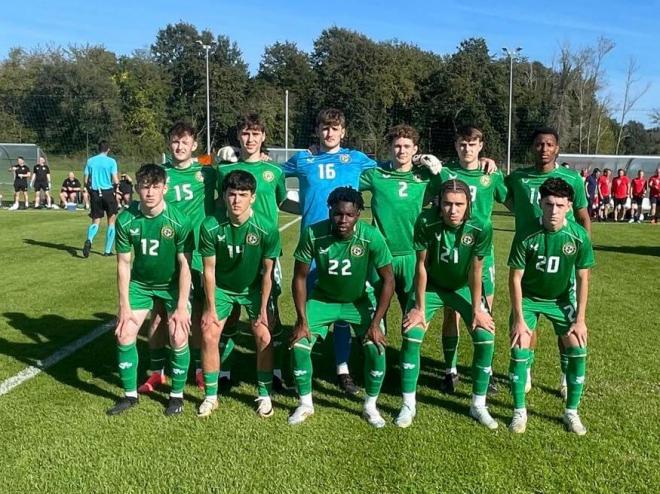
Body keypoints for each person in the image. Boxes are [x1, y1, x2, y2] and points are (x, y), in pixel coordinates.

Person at [283, 108, 441, 395]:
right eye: (324, 128)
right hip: (315, 242)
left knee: (345, 304)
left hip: (347, 244)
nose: (329, 133)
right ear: (317, 131)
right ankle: (296, 362)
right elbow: (270, 174)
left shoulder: (357, 160)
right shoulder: (303, 158)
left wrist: (416, 159)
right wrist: (292, 204)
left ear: (343, 131)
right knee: (305, 304)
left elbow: (390, 166)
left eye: (335, 128)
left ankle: (343, 369)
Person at [289, 186, 394, 427]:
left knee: (376, 347)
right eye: (337, 214)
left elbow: (388, 279)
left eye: (349, 215)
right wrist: (302, 320)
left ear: (359, 214)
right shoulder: (313, 234)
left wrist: (377, 324)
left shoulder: (370, 236)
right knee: (299, 345)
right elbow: (300, 277)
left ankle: (370, 405)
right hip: (323, 299)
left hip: (357, 300)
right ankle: (305, 404)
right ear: (330, 211)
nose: (343, 220)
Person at [399, 179, 497, 429]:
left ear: (468, 205)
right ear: (439, 204)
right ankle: (408, 405)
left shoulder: (481, 226)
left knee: (485, 335)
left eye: (459, 204)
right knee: (412, 333)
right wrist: (419, 307)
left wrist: (477, 309)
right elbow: (420, 265)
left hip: (463, 287)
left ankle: (478, 405)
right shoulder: (425, 221)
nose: (453, 210)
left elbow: (477, 271)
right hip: (431, 285)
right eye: (447, 204)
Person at [504, 127, 590, 397]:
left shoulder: (571, 179)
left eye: (549, 144)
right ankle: (525, 368)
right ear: (533, 148)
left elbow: (584, 216)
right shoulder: (518, 177)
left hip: (561, 257)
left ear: (557, 148)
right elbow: (499, 192)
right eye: (539, 144)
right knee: (530, 320)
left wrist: (580, 248)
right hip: (529, 253)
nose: (544, 149)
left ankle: (566, 373)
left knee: (565, 323)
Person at [507, 177, 594, 435]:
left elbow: (582, 278)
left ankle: (571, 412)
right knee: (520, 345)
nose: (553, 211)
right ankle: (519, 412)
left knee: (577, 346)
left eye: (559, 205)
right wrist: (519, 319)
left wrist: (580, 319)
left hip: (561, 299)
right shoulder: (526, 233)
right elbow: (515, 278)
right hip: (529, 298)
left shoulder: (578, 236)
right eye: (548, 204)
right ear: (540, 203)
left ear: (568, 206)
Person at [107, 163, 194, 416]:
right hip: (140, 285)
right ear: (136, 188)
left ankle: (176, 396)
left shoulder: (179, 220)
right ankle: (129, 396)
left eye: (156, 187)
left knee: (178, 334)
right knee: (124, 333)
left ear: (165, 188)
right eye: (145, 187)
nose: (150, 192)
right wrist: (123, 306)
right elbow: (123, 264)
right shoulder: (126, 219)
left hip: (171, 286)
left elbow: (185, 265)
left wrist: (180, 306)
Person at [137, 122, 217, 395]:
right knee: (158, 314)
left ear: (194, 145)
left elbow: (237, 176)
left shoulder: (208, 173)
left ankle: (196, 368)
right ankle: (156, 372)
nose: (179, 146)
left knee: (193, 315)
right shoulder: (161, 176)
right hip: (165, 255)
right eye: (174, 141)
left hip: (196, 255)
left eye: (184, 142)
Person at [197, 170, 281, 418]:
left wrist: (265, 308)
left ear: (252, 197)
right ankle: (211, 397)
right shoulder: (210, 225)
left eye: (242, 195)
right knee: (209, 332)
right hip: (222, 287)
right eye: (231, 194)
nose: (236, 200)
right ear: (224, 196)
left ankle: (265, 395)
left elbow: (267, 274)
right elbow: (208, 271)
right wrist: (210, 308)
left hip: (253, 287)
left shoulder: (266, 228)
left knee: (264, 334)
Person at [430, 125, 507, 394]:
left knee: (484, 314)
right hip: (454, 254)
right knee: (452, 312)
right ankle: (450, 370)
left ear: (481, 146)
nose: (467, 149)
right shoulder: (446, 173)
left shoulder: (491, 175)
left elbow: (512, 200)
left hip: (483, 254)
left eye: (472, 144)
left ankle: (483, 371)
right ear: (456, 146)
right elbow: (418, 168)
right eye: (463, 144)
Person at [215, 113, 287, 392]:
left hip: (266, 251)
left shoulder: (275, 172)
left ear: (264, 137)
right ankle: (223, 372)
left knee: (270, 312)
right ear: (238, 136)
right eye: (246, 133)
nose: (250, 139)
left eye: (256, 134)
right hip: (232, 249)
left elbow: (277, 199)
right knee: (231, 311)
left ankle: (276, 372)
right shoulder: (224, 170)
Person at [358, 124, 433, 316]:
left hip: (412, 254)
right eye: (397, 146)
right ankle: (375, 345)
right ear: (390, 148)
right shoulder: (375, 175)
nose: (402, 150)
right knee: (374, 310)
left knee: (413, 311)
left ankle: (408, 347)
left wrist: (484, 160)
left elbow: (454, 180)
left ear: (415, 150)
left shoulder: (425, 176)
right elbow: (345, 180)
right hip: (381, 254)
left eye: (407, 146)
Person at [82, 141, 119, 257]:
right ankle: (107, 251)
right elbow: (115, 179)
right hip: (108, 192)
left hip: (95, 193)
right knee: (111, 221)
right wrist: (116, 189)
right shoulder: (111, 161)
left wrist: (90, 189)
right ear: (108, 149)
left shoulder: (90, 161)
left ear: (98, 149)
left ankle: (89, 239)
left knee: (96, 221)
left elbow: (85, 179)